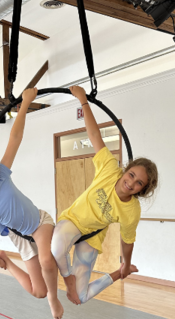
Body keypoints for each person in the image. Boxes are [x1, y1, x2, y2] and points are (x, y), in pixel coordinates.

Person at [0, 88, 64, 319]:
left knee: (47, 260)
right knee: (38, 291)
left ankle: (54, 299)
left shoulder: (2, 177)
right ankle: (11, 264)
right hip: (20, 237)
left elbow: (15, 138)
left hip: (39, 223)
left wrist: (25, 103)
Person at [52, 86, 158, 305]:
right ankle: (69, 282)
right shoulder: (109, 168)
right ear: (126, 169)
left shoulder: (131, 210)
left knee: (81, 298)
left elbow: (127, 240)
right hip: (72, 221)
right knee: (56, 249)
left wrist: (125, 265)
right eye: (131, 175)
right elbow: (94, 134)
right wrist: (83, 100)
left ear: (142, 190)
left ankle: (114, 275)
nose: (131, 183)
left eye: (139, 183)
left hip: (92, 237)